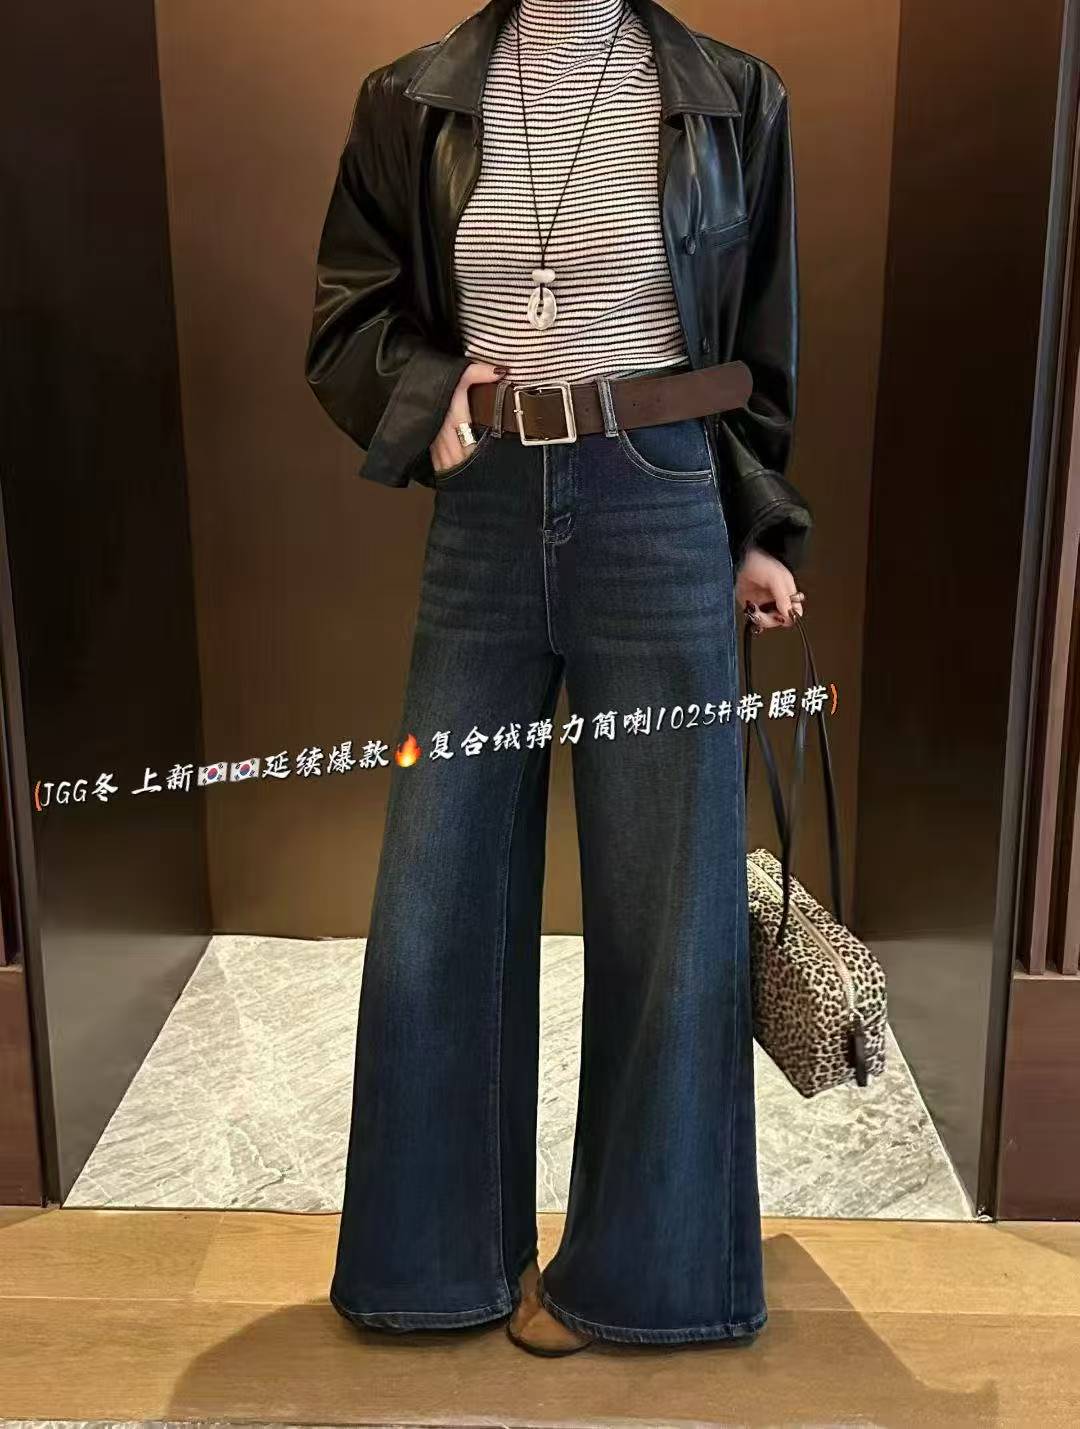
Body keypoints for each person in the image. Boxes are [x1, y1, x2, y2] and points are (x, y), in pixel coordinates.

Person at [305, 0, 812, 1356]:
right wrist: (430, 394)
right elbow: (347, 314)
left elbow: (759, 353)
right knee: (436, 889)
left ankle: (652, 1279)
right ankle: (430, 1268)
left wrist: (758, 529)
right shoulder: (411, 98)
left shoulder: (733, 97)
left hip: (661, 495)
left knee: (670, 900)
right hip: (485, 503)